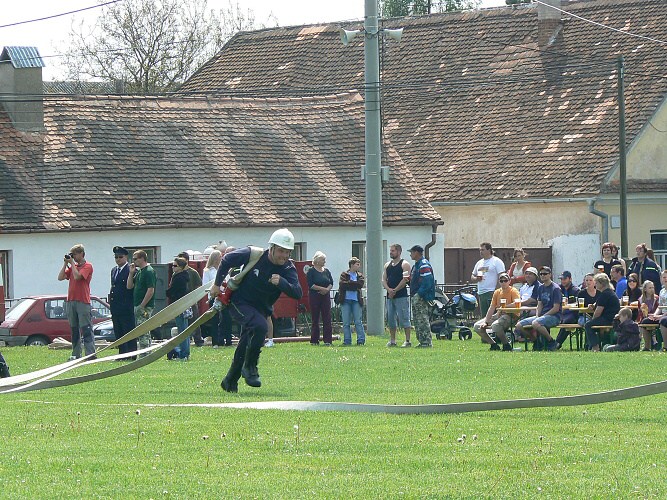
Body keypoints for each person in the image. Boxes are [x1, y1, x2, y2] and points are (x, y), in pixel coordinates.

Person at [212, 228, 302, 392]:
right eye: (281, 250)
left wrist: (281, 282)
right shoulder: (254, 254)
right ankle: (250, 367)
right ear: (272, 248)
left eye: (287, 252)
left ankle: (230, 381)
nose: (284, 255)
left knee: (246, 342)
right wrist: (217, 285)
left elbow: (297, 292)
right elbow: (226, 260)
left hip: (261, 309)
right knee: (260, 327)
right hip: (239, 302)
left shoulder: (288, 268)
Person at [58, 244, 95, 360]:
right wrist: (66, 264)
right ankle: (76, 354)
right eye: (72, 255)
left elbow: (78, 277)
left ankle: (90, 354)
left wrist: (72, 264)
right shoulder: (73, 267)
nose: (73, 257)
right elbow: (60, 277)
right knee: (74, 329)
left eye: (75, 254)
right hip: (71, 301)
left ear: (81, 254)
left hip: (83, 301)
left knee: (86, 328)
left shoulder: (88, 266)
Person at [513, 266, 561, 351]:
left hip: (554, 317)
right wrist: (538, 315)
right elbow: (539, 304)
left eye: (545, 274)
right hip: (542, 316)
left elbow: (556, 308)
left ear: (550, 275)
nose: (543, 275)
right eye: (541, 274)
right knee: (519, 325)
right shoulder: (541, 288)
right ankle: (536, 341)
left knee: (536, 323)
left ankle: (552, 342)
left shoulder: (555, 288)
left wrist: (542, 316)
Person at [472, 272, 520, 351]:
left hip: (511, 315)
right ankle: (493, 344)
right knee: (477, 326)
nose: (503, 282)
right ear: (499, 282)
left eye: (505, 280)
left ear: (509, 281)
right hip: (498, 315)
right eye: (501, 281)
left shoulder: (513, 291)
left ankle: (506, 345)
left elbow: (517, 303)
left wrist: (503, 308)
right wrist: (486, 322)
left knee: (495, 325)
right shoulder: (497, 292)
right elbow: (492, 307)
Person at [109, 246, 136, 360]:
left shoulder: (130, 269)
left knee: (128, 330)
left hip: (126, 305)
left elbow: (130, 287)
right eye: (116, 257)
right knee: (118, 331)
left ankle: (131, 354)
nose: (118, 259)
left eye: (120, 257)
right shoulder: (114, 270)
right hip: (116, 306)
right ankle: (122, 354)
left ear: (126, 257)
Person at [127, 250, 156, 356]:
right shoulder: (140, 271)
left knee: (142, 329)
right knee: (142, 329)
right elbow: (129, 286)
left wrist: (142, 305)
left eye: (135, 259)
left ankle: (144, 353)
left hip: (145, 306)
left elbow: (150, 290)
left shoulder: (149, 271)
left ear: (142, 258)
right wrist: (131, 273)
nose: (133, 261)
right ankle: (147, 352)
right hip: (137, 304)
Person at [382, 243, 412, 347]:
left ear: (399, 252)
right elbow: (383, 279)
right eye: (390, 251)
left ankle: (407, 340)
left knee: (404, 318)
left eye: (393, 251)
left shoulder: (405, 264)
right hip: (390, 297)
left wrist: (395, 290)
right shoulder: (387, 265)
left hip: (401, 296)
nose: (391, 253)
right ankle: (392, 340)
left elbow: (405, 279)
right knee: (391, 319)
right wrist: (388, 290)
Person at [584, 273, 621, 352]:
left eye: (596, 283)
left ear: (602, 284)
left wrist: (593, 320)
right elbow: (598, 304)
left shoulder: (605, 294)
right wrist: (593, 305)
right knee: (591, 324)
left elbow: (598, 312)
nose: (595, 285)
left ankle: (595, 347)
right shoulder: (608, 292)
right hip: (613, 318)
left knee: (588, 325)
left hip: (608, 319)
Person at [408, 245, 436, 348]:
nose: (410, 254)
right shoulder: (416, 265)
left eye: (411, 252)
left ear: (416, 252)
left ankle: (426, 342)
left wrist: (419, 294)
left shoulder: (423, 265)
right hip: (416, 295)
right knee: (417, 320)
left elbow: (427, 282)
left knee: (422, 320)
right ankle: (421, 341)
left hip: (422, 297)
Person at [306, 251, 334, 346]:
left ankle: (328, 340)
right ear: (317, 261)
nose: (324, 262)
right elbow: (311, 284)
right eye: (323, 260)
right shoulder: (311, 271)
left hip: (325, 296)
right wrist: (321, 289)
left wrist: (327, 290)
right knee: (315, 318)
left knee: (327, 318)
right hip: (315, 296)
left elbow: (331, 282)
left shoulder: (326, 271)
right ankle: (314, 340)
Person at [471, 242, 505, 316]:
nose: (481, 252)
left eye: (483, 250)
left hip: (491, 292)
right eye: (480, 250)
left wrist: (496, 291)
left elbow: (502, 277)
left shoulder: (496, 261)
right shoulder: (479, 263)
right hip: (481, 293)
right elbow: (472, 276)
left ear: (489, 250)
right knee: (484, 316)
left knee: (493, 316)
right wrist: (476, 278)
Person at [166, 257, 191, 360]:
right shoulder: (183, 276)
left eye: (175, 266)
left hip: (179, 306)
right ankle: (185, 352)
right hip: (183, 305)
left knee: (182, 331)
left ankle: (183, 354)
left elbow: (172, 291)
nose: (173, 267)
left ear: (180, 267)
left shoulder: (179, 278)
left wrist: (168, 292)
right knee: (184, 330)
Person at [178, 251, 204, 347]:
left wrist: (195, 297)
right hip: (181, 301)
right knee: (182, 322)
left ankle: (198, 340)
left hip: (192, 301)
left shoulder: (193, 272)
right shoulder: (177, 272)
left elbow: (199, 285)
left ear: (187, 260)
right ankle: (184, 341)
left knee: (195, 321)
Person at [338, 257, 366, 346]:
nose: (359, 266)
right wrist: (354, 285)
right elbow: (342, 285)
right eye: (357, 264)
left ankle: (361, 340)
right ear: (352, 265)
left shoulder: (360, 276)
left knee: (358, 321)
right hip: (345, 301)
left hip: (356, 301)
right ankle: (347, 340)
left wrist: (350, 283)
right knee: (346, 322)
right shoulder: (344, 274)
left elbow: (360, 284)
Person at [554, 270, 580, 349]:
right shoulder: (558, 289)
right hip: (560, 313)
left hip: (572, 314)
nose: (563, 281)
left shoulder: (576, 290)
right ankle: (543, 343)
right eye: (561, 279)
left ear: (570, 279)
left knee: (567, 321)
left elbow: (578, 304)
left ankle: (557, 343)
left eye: (565, 279)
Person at [202, 250, 223, 346]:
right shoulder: (207, 271)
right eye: (220, 257)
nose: (221, 259)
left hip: (224, 296)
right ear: (215, 259)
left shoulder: (222, 269)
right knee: (215, 320)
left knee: (225, 319)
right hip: (214, 297)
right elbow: (205, 285)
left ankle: (225, 340)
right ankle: (215, 342)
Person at [637, 280, 660, 351]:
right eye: (650, 288)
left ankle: (652, 343)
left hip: (655, 317)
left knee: (646, 322)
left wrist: (652, 315)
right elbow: (639, 313)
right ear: (645, 289)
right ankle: (645, 345)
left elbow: (658, 310)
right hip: (644, 318)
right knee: (642, 323)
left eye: (653, 287)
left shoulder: (656, 298)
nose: (652, 289)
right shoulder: (640, 300)